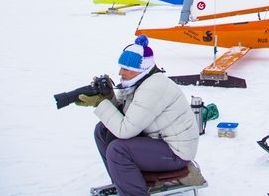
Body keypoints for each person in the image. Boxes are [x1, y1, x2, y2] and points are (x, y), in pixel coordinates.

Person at [77, 35, 201, 195]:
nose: (120, 72)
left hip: (176, 152)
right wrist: (108, 98)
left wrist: (100, 103)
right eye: (121, 67)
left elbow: (125, 130)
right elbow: (125, 114)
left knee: (118, 150)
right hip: (157, 140)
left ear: (141, 70)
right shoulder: (138, 82)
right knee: (103, 130)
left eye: (126, 69)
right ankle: (124, 181)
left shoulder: (154, 87)